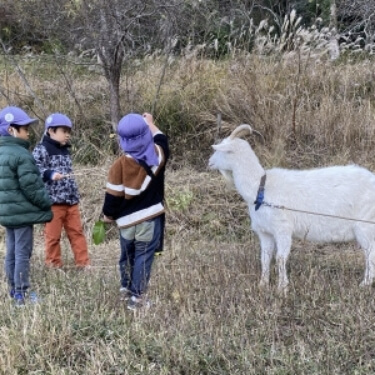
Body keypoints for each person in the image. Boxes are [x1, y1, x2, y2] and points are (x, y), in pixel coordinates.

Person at [102, 112, 169, 310]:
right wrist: (151, 124)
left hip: (126, 224)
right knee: (143, 256)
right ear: (146, 134)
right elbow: (162, 139)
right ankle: (137, 299)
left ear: (123, 141)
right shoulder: (157, 156)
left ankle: (126, 289)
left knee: (127, 255)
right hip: (149, 220)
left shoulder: (118, 166)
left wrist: (108, 215)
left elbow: (112, 197)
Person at [0, 106, 53, 306]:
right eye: (24, 128)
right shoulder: (22, 155)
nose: (28, 132)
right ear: (11, 130)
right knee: (23, 252)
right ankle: (21, 293)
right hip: (22, 214)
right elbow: (31, 187)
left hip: (7, 213)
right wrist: (46, 203)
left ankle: (13, 290)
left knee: (11, 252)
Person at [32, 113, 90, 269]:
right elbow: (35, 169)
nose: (67, 135)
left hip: (71, 200)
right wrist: (50, 174)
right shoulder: (41, 149)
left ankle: (83, 263)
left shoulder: (65, 150)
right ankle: (53, 264)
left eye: (68, 131)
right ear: (51, 131)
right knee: (53, 236)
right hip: (53, 201)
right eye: (63, 131)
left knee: (77, 232)